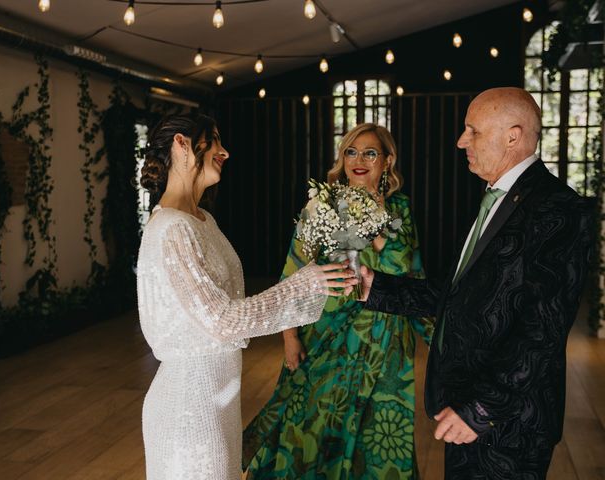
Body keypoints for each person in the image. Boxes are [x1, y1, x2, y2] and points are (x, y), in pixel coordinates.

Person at [355, 88, 592, 479]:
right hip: (465, 405)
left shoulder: (557, 207)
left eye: (473, 130)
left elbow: (543, 329)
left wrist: (481, 410)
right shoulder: (496, 196)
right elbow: (459, 296)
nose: (461, 141)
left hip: (506, 424)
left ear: (513, 136)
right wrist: (375, 287)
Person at [136, 113, 355, 480]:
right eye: (215, 140)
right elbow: (223, 321)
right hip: (188, 410)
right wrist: (305, 285)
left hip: (218, 399)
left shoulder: (202, 220)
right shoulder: (171, 228)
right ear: (183, 145)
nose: (225, 151)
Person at [243, 123, 434, 479]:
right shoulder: (321, 205)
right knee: (312, 429)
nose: (358, 160)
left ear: (387, 161)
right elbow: (293, 273)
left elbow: (406, 268)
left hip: (385, 339)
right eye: (351, 151)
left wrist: (376, 213)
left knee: (378, 437)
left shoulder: (400, 209)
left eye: (370, 153)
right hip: (327, 333)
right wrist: (289, 338)